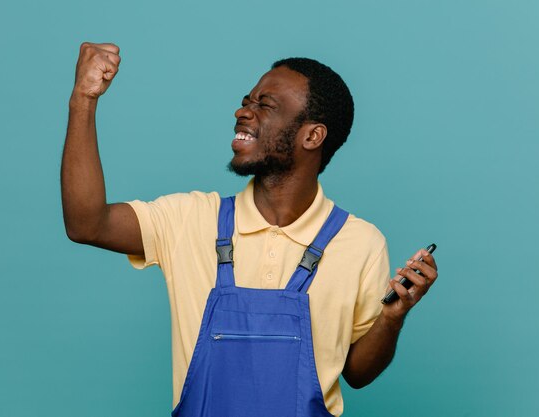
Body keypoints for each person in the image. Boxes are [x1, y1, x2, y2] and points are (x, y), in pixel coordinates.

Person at [61, 42, 439, 417]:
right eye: (247, 101)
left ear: (312, 136)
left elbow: (357, 372)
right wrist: (83, 100)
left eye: (265, 105)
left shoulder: (360, 243)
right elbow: (86, 224)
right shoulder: (190, 219)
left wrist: (393, 317)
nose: (243, 112)